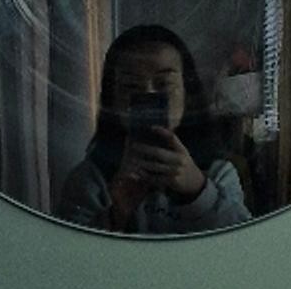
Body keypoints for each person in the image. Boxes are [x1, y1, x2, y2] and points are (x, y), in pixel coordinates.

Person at [57, 24, 251, 233]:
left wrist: (198, 190)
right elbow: (66, 249)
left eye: (164, 83)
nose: (149, 95)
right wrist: (116, 212)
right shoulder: (90, 180)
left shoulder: (218, 174)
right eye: (131, 86)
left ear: (187, 92)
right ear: (113, 99)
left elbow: (244, 243)